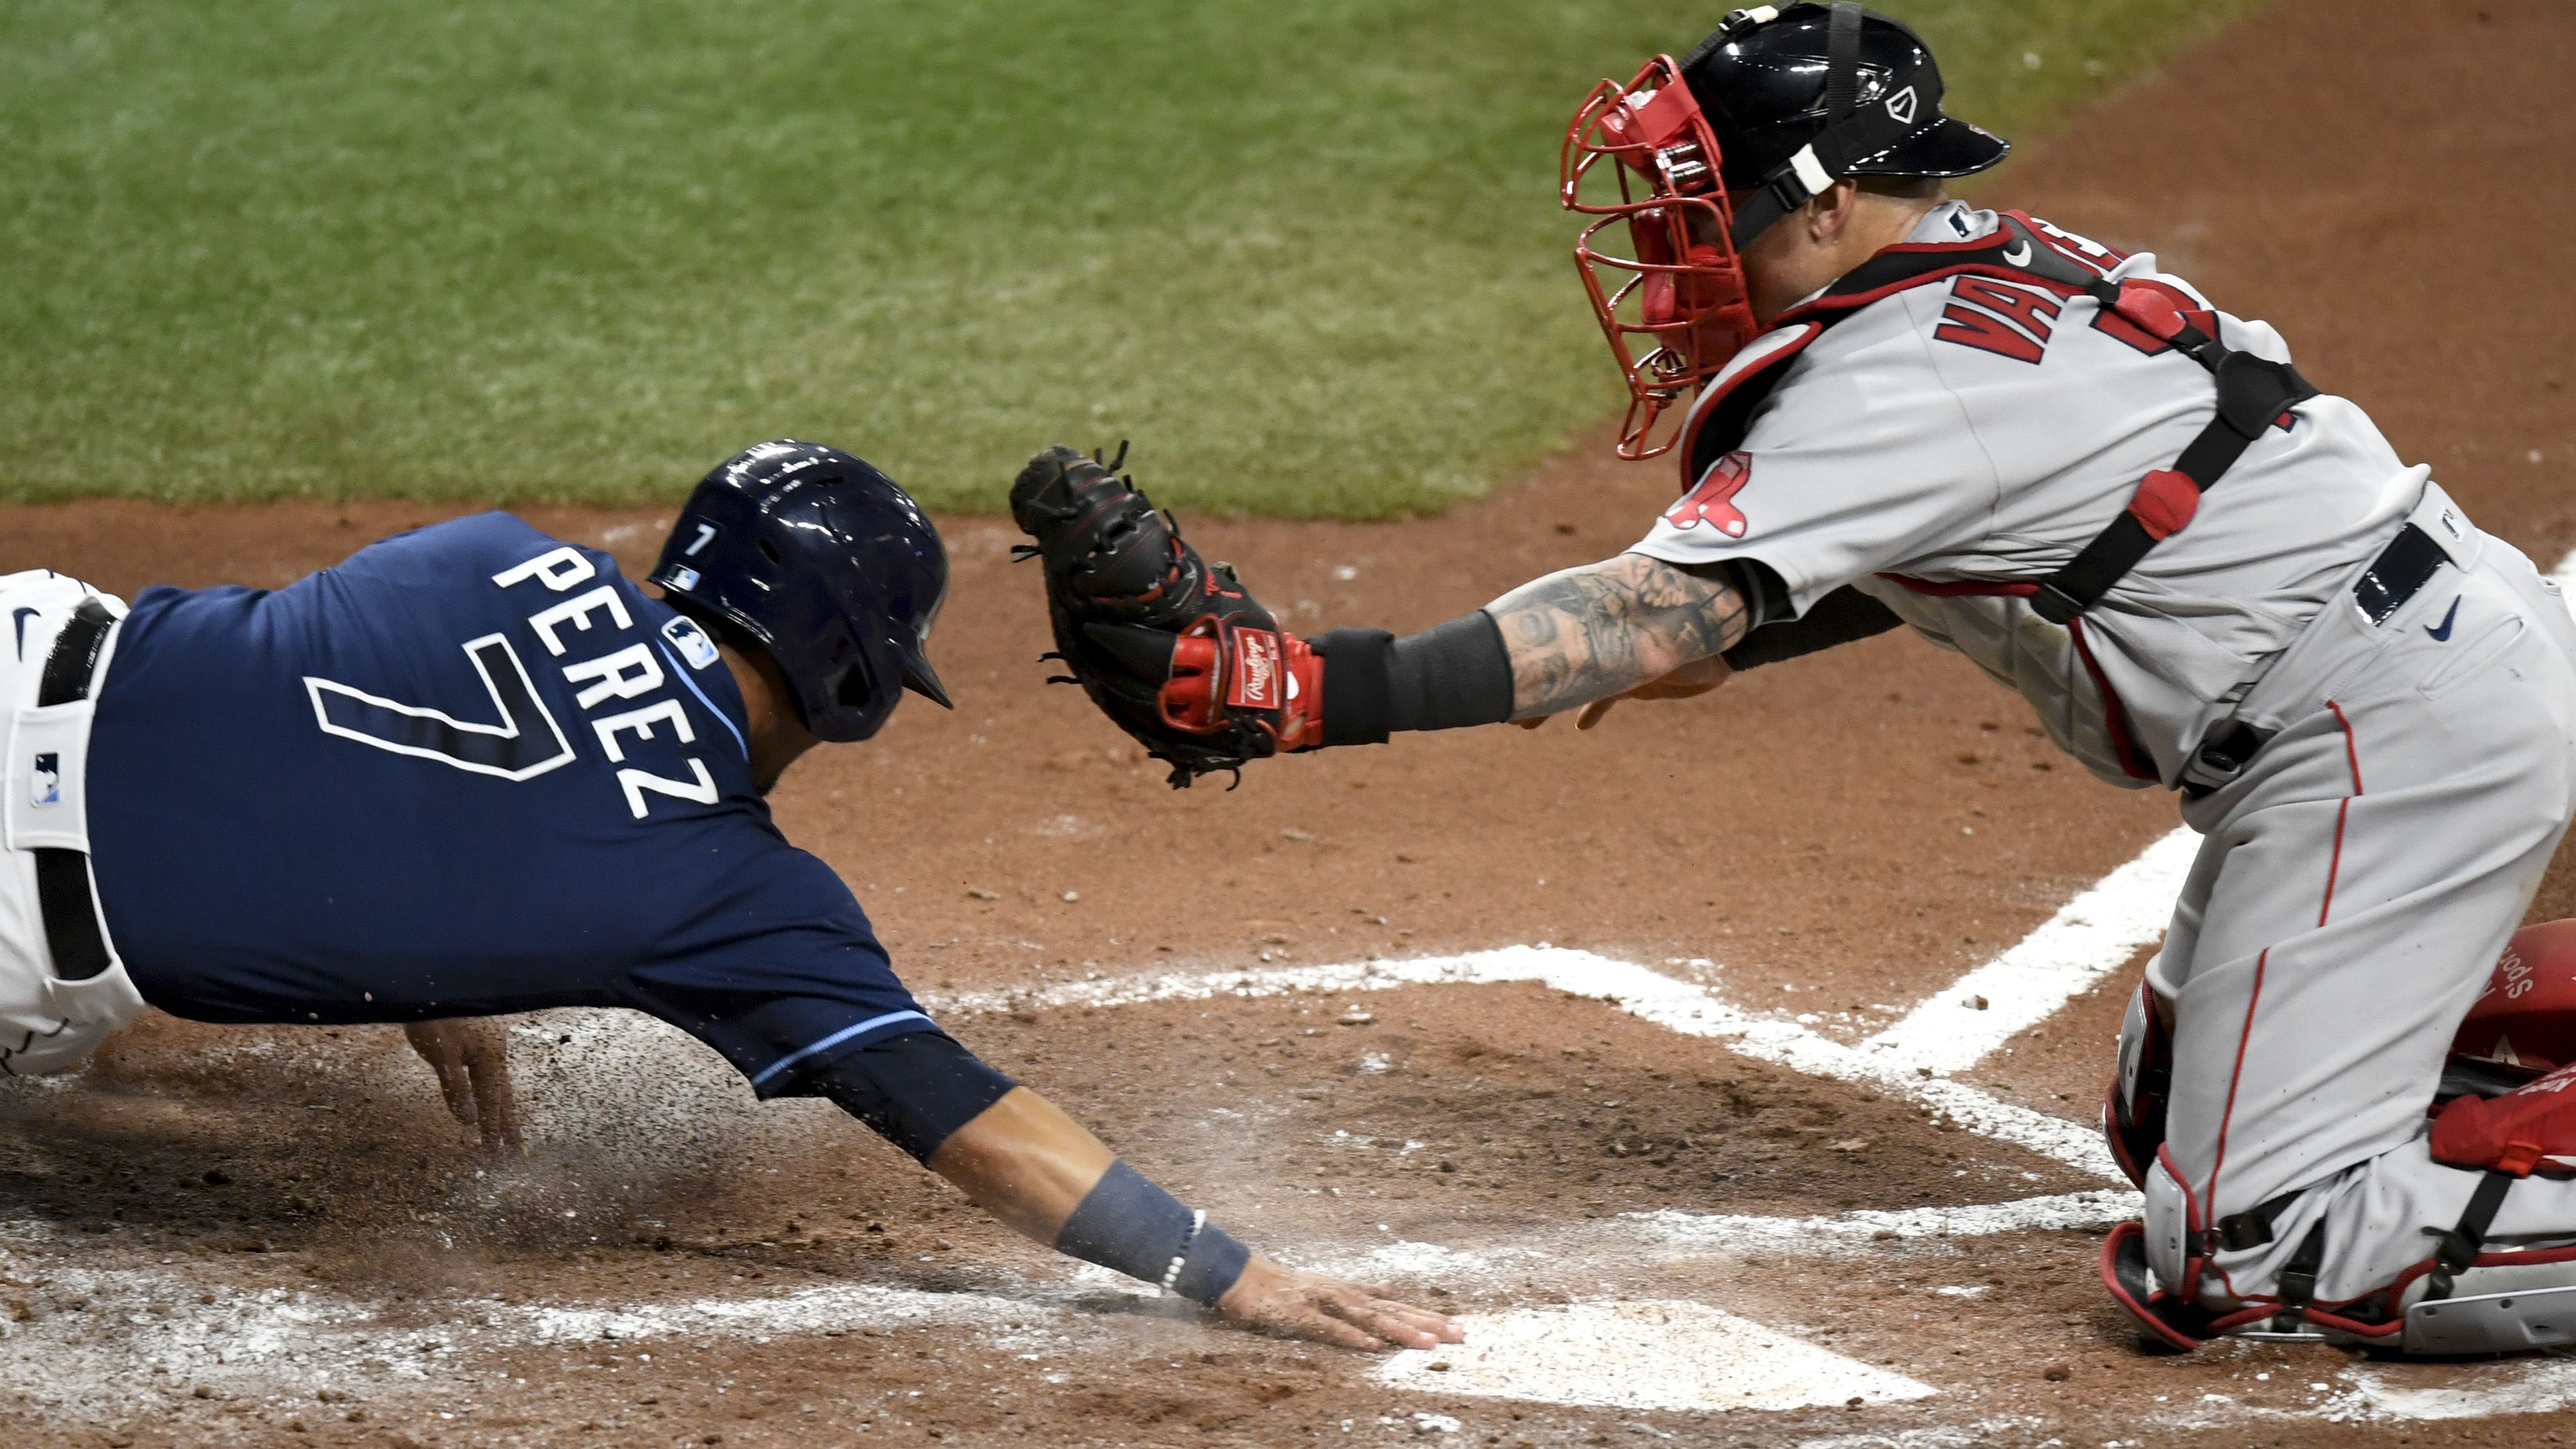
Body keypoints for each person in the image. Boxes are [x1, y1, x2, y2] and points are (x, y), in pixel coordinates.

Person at [1010, 4, 2576, 1354]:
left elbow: (1645, 620)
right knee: (2166, 1113)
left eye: (1712, 208)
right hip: (2404, 676)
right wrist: (1696, 624)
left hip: (2379, 734)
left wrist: (1300, 686)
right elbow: (1921, 562)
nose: (1675, 249)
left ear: (1825, 208)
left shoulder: (1897, 375)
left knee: (2247, 1241)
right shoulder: (1971, 275)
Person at [0, 438, 1459, 1354]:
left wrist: (422, 971)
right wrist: (1228, 1274)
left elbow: (309, 716)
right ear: (850, 676)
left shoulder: (500, 550)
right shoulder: (725, 893)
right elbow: (969, 1120)